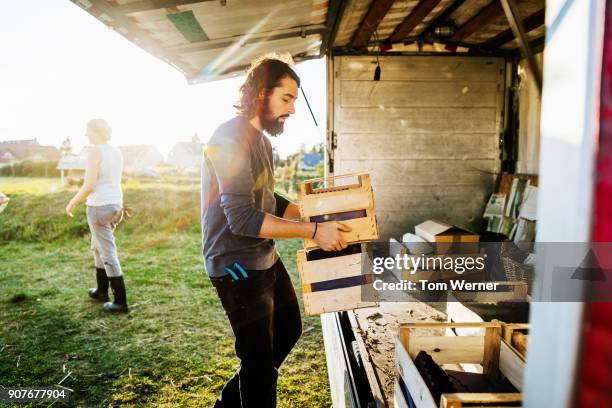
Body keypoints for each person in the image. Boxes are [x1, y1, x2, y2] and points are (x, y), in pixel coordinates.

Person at [201, 56, 351, 407]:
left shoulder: (263, 142)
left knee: (288, 330)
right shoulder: (227, 137)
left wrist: (314, 215)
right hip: (234, 264)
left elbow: (267, 199)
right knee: (258, 362)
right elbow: (240, 218)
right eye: (287, 98)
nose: (293, 109)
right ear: (260, 94)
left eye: (295, 100)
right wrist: (312, 230)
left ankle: (227, 405)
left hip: (263, 257)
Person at [65, 119, 127, 313]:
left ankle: (120, 301)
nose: (86, 135)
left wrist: (72, 202)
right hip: (115, 205)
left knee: (107, 251)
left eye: (88, 131)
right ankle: (101, 290)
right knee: (98, 247)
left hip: (99, 206)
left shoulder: (94, 152)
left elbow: (89, 185)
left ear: (96, 132)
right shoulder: (116, 151)